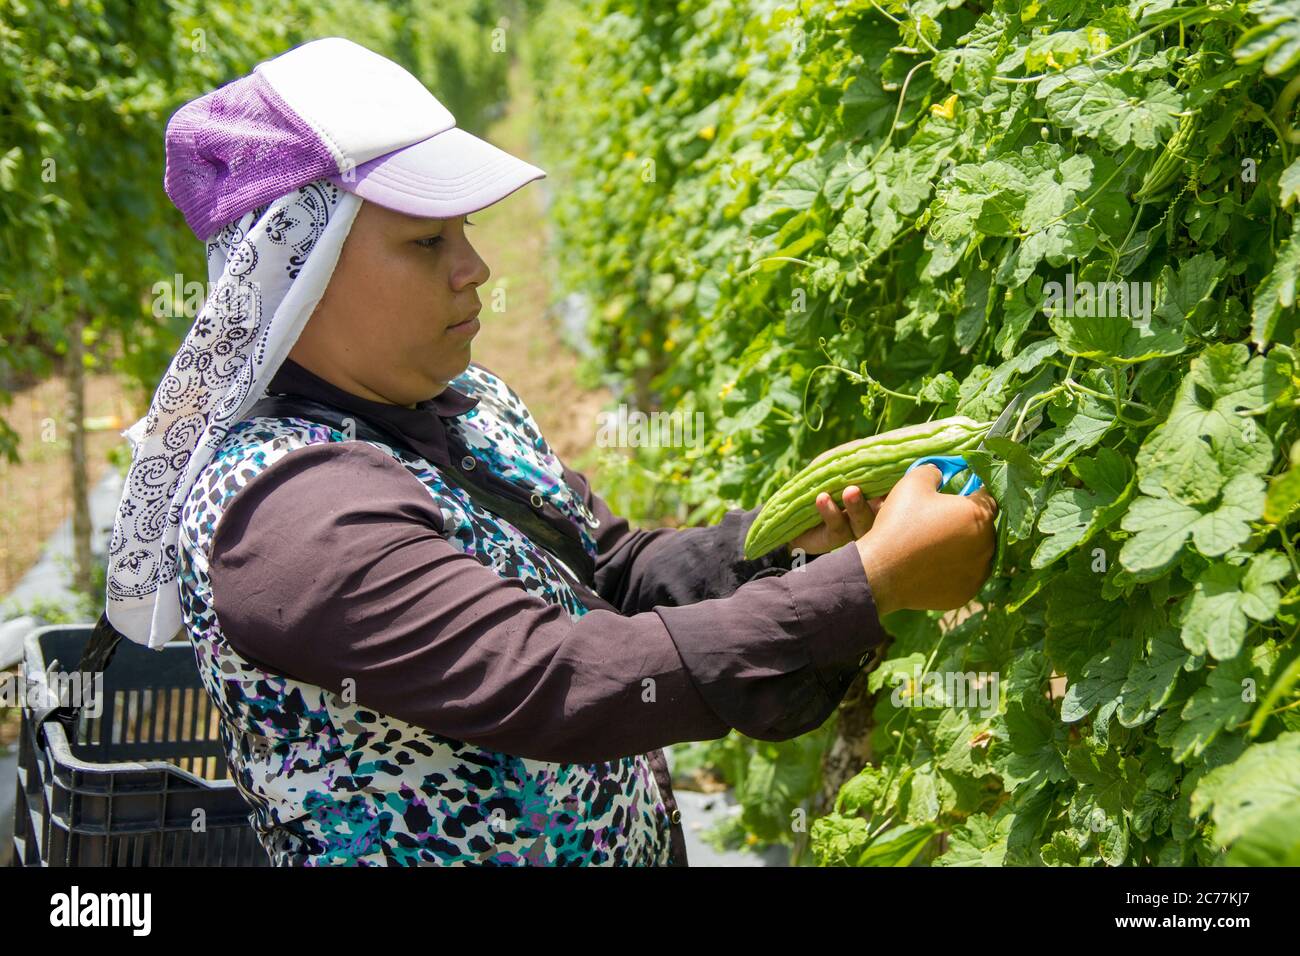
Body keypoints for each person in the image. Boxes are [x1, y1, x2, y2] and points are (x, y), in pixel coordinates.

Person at [104, 37, 997, 866]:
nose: (474, 268)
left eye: (465, 231)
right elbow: (553, 681)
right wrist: (866, 586)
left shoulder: (462, 401)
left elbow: (602, 570)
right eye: (426, 242)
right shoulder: (290, 516)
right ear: (300, 269)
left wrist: (787, 551)